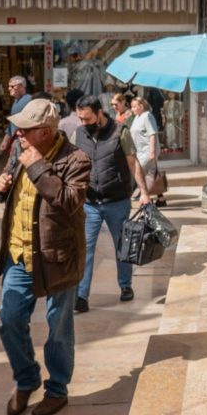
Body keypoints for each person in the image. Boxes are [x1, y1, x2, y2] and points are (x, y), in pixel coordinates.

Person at [0, 99, 91, 415]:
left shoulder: (76, 159)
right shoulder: (19, 152)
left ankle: (57, 389)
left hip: (57, 257)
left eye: (25, 129)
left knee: (58, 328)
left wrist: (36, 166)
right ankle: (26, 378)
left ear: (46, 133)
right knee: (9, 321)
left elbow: (68, 201)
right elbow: (14, 194)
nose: (17, 133)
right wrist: (1, 187)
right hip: (19, 253)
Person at [73, 96, 149, 313]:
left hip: (117, 200)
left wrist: (144, 192)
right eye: (80, 118)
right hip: (89, 202)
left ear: (99, 113)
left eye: (87, 118)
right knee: (85, 249)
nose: (83, 123)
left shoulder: (120, 131)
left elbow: (133, 163)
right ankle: (81, 295)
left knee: (122, 245)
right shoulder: (78, 134)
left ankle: (126, 285)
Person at [129, 95, 164, 206]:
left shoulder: (147, 116)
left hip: (147, 151)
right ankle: (159, 199)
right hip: (139, 151)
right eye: (132, 107)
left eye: (134, 107)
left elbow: (152, 134)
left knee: (140, 174)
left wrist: (152, 152)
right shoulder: (137, 117)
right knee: (150, 174)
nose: (132, 109)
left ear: (141, 106)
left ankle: (144, 197)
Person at [0, 76, 31, 159]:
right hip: (17, 141)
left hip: (24, 141)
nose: (9, 89)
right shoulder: (16, 101)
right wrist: (5, 140)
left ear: (21, 87)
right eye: (9, 86)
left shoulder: (28, 100)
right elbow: (12, 124)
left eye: (12, 86)